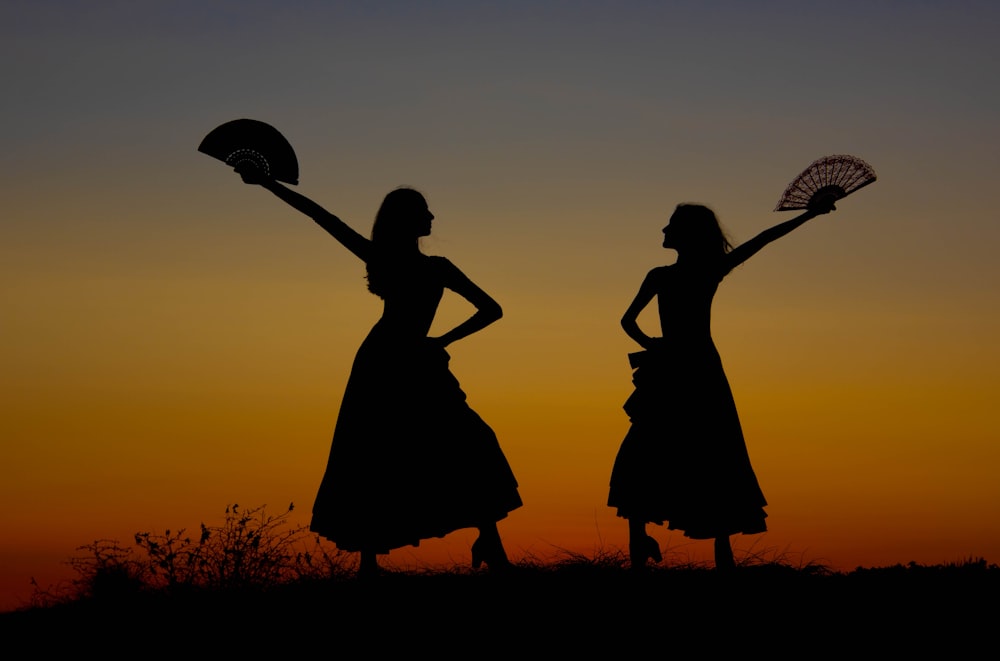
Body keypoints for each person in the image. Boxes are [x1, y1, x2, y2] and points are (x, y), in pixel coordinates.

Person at [238, 167, 522, 575]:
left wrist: (442, 342)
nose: (432, 218)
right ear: (406, 219)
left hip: (412, 360)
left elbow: (492, 309)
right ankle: (371, 561)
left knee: (468, 440)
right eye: (425, 211)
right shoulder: (390, 258)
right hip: (386, 362)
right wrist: (267, 183)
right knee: (375, 450)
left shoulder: (439, 267)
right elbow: (322, 217)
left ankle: (488, 542)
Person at [608, 199, 835, 571]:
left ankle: (674, 544)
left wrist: (810, 213)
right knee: (672, 447)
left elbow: (764, 238)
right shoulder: (675, 273)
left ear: (687, 234)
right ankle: (667, 542)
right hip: (689, 367)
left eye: (670, 226)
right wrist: (654, 346)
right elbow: (627, 321)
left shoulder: (686, 272)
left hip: (689, 369)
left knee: (691, 447)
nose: (663, 232)